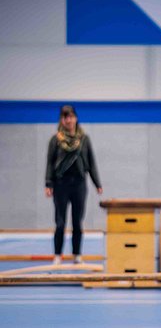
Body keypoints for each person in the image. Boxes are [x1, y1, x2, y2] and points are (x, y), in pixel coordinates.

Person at [44, 105, 103, 265]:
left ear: (75, 118)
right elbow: (50, 163)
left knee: (77, 221)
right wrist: (48, 183)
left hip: (79, 184)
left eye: (70, 116)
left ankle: (77, 254)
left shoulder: (84, 139)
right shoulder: (55, 140)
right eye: (64, 117)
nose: (68, 120)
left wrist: (97, 182)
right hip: (60, 184)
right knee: (60, 221)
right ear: (61, 120)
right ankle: (57, 255)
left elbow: (91, 162)